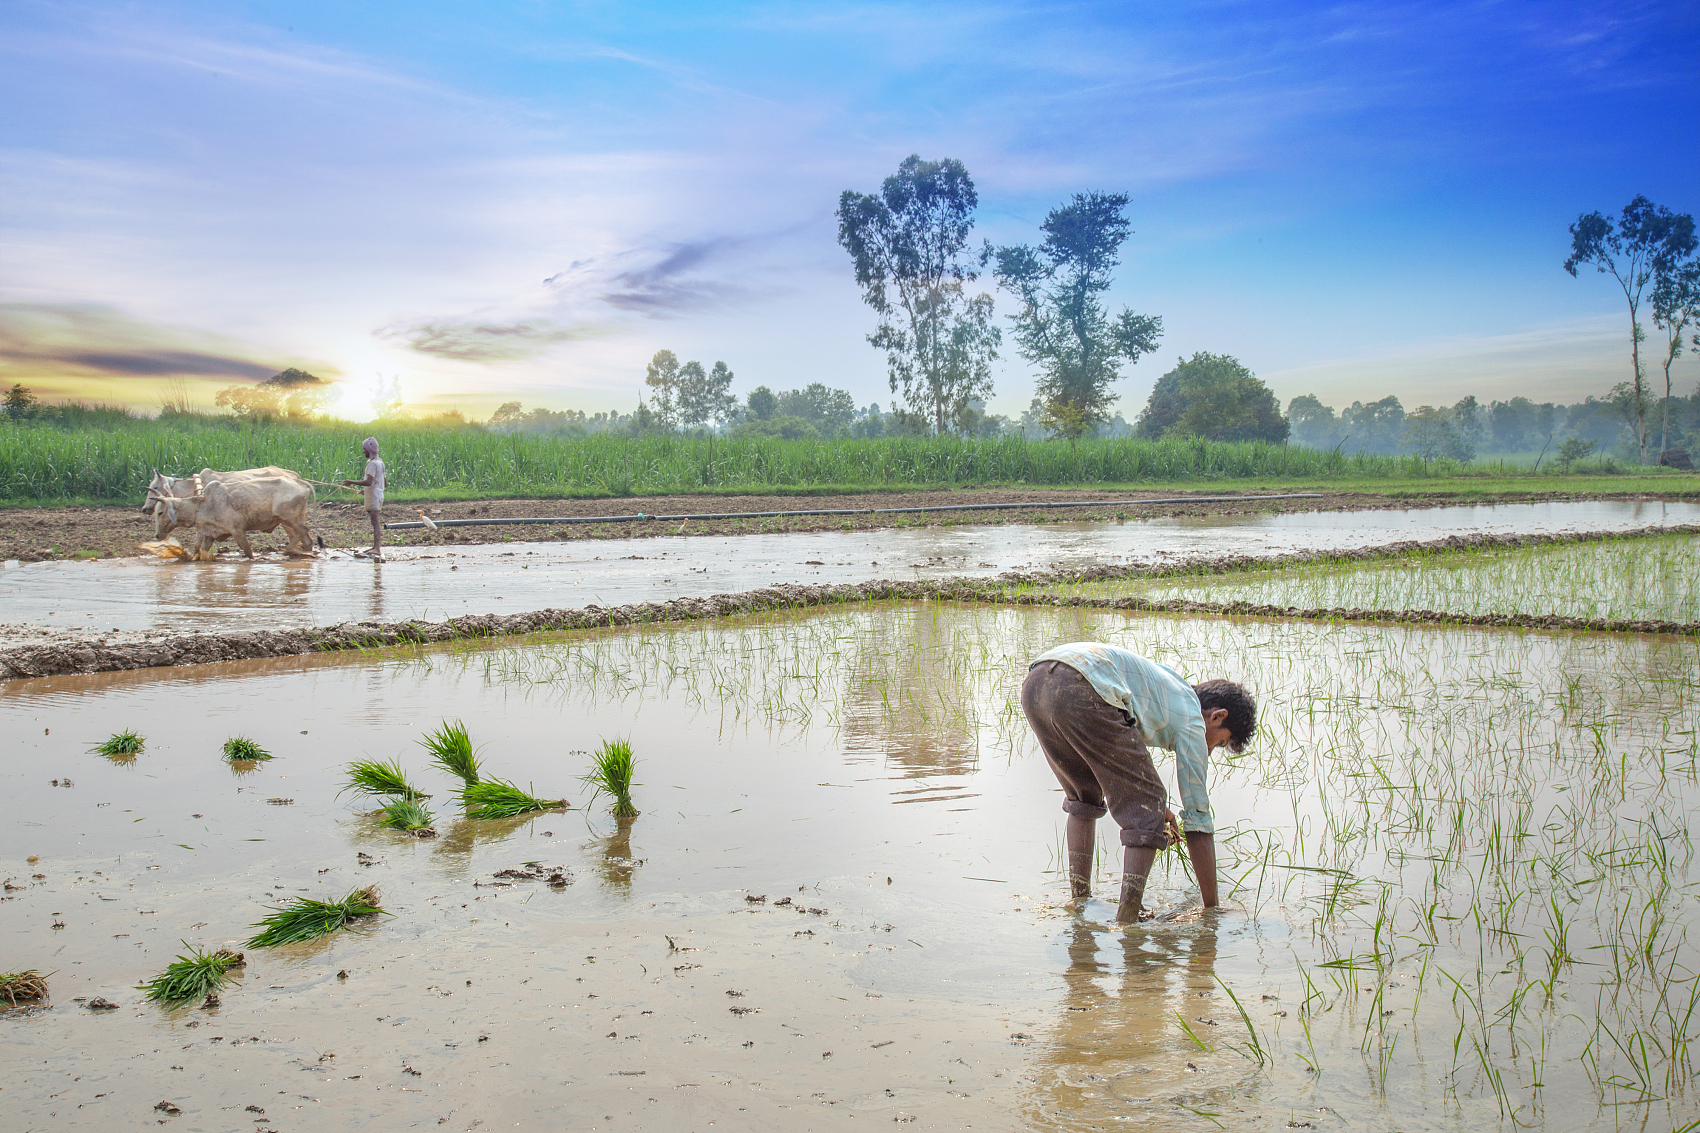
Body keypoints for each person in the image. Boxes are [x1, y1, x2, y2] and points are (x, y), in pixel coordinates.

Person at [1020, 641, 1257, 923]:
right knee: (1147, 808)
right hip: (1083, 684)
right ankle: (1127, 921)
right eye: (1219, 743)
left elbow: (1124, 762)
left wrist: (1153, 803)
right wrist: (1211, 909)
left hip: (1037, 682)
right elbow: (1198, 818)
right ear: (1217, 716)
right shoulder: (1194, 718)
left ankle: (1079, 902)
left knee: (1084, 795)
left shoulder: (1170, 688)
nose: (1208, 752)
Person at [340, 437, 387, 560]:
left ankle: (377, 548)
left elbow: (368, 482)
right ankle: (376, 547)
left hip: (374, 496)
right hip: (377, 494)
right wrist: (366, 491)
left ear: (369, 450)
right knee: (374, 522)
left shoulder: (372, 464)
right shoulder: (380, 462)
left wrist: (351, 482)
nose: (363, 452)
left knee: (375, 522)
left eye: (364, 449)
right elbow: (384, 483)